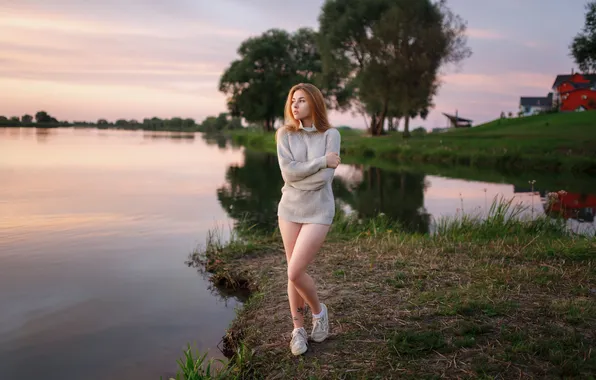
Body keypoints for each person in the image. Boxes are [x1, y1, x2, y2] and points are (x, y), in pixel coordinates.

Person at [275, 83, 341, 356]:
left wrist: (313, 171)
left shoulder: (331, 134)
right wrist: (321, 161)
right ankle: (298, 330)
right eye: (292, 101)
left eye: (301, 100)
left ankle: (319, 312)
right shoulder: (285, 134)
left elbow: (325, 179)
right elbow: (288, 174)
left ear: (314, 103)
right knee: (294, 272)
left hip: (319, 209)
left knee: (294, 271)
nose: (295, 105)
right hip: (289, 208)